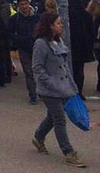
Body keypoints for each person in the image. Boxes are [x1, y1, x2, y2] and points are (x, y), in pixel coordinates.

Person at [31, 12, 86, 168]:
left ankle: (38, 136)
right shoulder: (41, 44)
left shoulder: (58, 41)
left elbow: (65, 66)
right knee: (60, 118)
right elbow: (37, 68)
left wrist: (73, 86)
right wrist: (50, 83)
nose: (61, 25)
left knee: (52, 116)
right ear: (49, 26)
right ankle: (68, 152)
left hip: (63, 87)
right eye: (58, 23)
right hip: (49, 89)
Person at [9, 0, 41, 104]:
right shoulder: (15, 19)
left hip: (37, 47)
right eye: (21, 5)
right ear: (18, 6)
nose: (24, 7)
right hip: (24, 48)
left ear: (29, 4)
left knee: (39, 71)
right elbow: (9, 32)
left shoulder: (36, 17)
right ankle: (33, 95)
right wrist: (18, 39)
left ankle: (41, 92)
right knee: (28, 72)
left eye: (25, 4)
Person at [67, 0, 94, 99]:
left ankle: (71, 90)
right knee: (80, 70)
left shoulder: (68, 14)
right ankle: (79, 91)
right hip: (83, 46)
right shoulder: (86, 14)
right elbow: (91, 31)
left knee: (70, 69)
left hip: (70, 46)